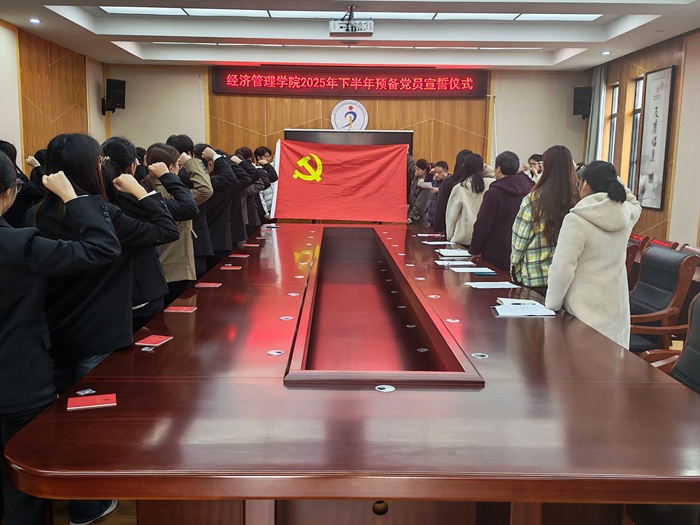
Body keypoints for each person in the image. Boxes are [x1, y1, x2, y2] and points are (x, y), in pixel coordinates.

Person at [0, 151, 121, 525]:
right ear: (8, 193)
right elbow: (103, 248)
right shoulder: (21, 245)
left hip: (19, 380)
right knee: (23, 486)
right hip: (19, 382)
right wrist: (74, 198)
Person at [545, 161, 642, 348]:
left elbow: (562, 268)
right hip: (616, 312)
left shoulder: (576, 219)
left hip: (582, 313)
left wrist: (552, 305)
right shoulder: (626, 214)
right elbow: (635, 202)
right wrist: (613, 179)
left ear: (585, 184)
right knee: (611, 364)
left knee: (581, 364)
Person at [511, 145, 579, 295]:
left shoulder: (533, 201)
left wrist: (515, 271)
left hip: (535, 278)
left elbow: (519, 243)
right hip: (568, 282)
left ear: (545, 168)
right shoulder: (579, 201)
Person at [470, 151, 534, 271]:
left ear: (498, 169)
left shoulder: (494, 193)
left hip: (495, 250)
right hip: (521, 247)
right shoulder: (529, 189)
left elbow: (483, 224)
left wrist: (474, 249)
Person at [445, 153, 492, 246]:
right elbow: (496, 175)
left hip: (462, 237)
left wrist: (450, 237)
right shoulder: (490, 184)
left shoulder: (460, 187)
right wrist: (487, 168)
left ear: (464, 167)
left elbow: (451, 216)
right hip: (484, 237)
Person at [407, 158, 431, 225]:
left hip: (420, 217)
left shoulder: (426, 185)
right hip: (413, 213)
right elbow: (411, 167)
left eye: (418, 169)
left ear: (424, 170)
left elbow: (421, 203)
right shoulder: (417, 177)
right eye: (416, 169)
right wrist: (408, 155)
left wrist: (412, 217)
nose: (416, 171)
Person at [427, 160, 449, 227]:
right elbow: (426, 184)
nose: (436, 175)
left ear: (446, 172)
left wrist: (438, 192)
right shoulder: (435, 181)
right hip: (431, 218)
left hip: (441, 220)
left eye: (439, 173)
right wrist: (430, 174)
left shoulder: (448, 183)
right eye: (435, 172)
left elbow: (446, 197)